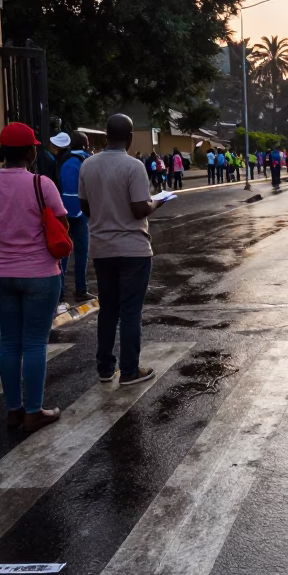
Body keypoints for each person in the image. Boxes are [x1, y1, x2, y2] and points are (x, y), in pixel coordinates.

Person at [0, 122, 67, 433]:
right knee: (35, 342)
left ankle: (13, 410)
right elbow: (61, 228)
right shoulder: (42, 185)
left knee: (9, 343)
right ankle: (34, 411)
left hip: (0, 272)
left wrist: (8, 240)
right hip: (40, 273)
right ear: (30, 152)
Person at [79, 114, 166, 387]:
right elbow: (140, 208)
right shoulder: (134, 166)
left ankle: (105, 368)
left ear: (106, 136)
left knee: (108, 310)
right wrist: (158, 202)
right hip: (133, 249)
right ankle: (129, 370)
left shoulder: (87, 165)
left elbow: (85, 207)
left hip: (102, 248)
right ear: (129, 139)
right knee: (130, 311)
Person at [58, 131, 93, 307]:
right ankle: (80, 289)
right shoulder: (86, 161)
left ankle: (60, 291)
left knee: (63, 252)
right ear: (85, 144)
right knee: (81, 253)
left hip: (63, 211)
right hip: (79, 213)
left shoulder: (64, 160)